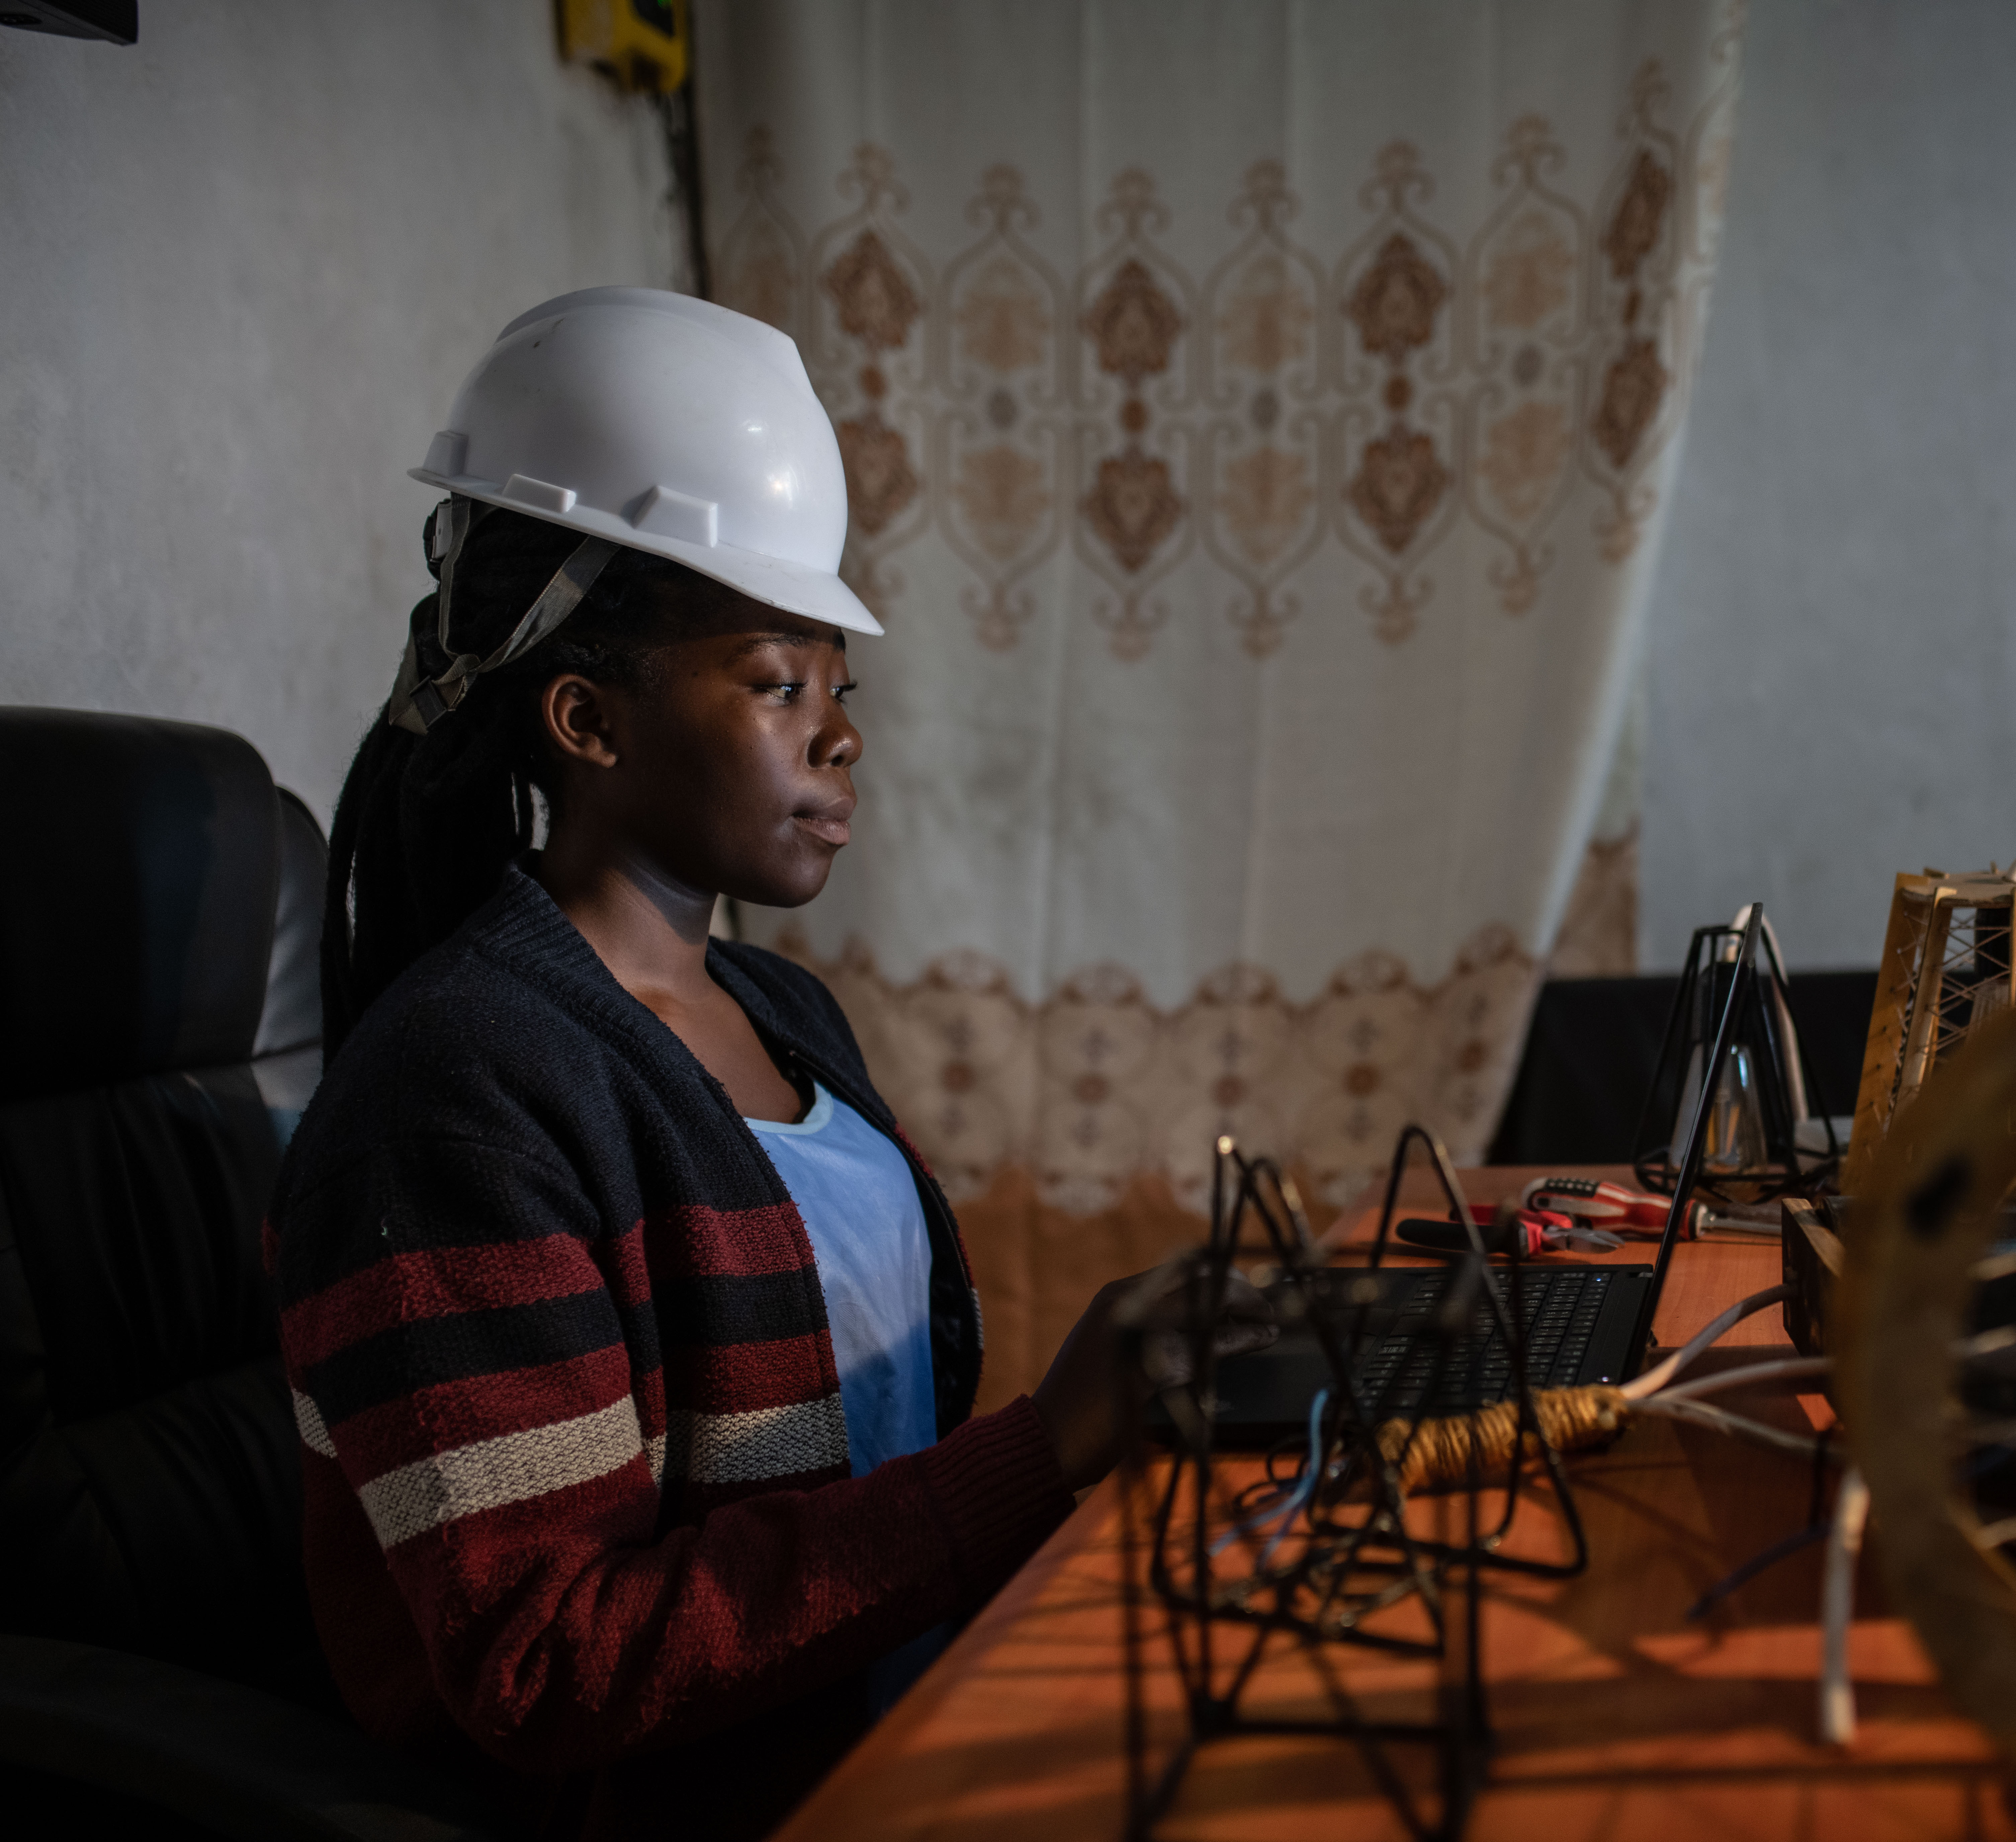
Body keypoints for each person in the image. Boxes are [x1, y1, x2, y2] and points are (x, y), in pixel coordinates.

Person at [269, 288, 1268, 1840]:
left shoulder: (784, 1010)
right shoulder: (452, 1100)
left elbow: (876, 1465)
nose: (840, 736)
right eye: (777, 681)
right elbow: (549, 1662)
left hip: (905, 1742)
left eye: (840, 689)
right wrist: (1043, 1445)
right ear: (589, 717)